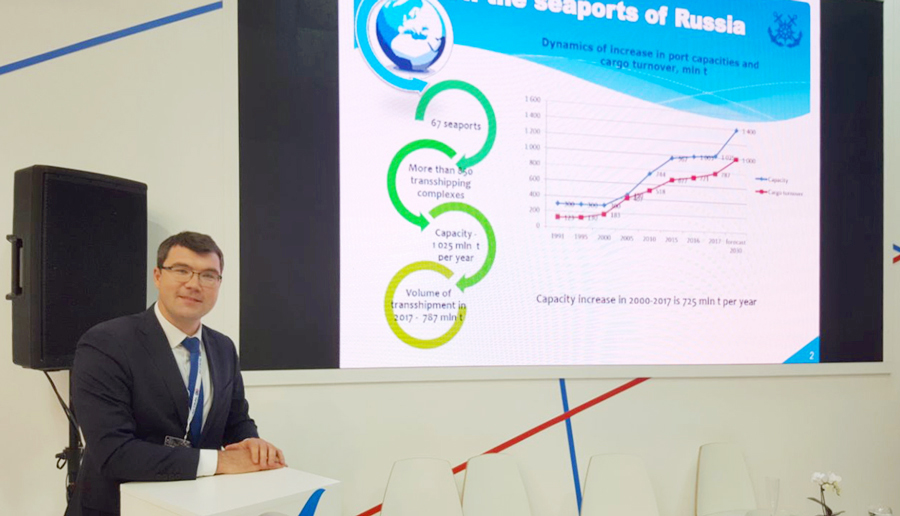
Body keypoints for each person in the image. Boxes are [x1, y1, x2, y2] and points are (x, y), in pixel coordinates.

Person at [67, 232, 285, 516]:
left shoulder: (223, 348)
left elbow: (236, 421)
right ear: (158, 276)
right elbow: (114, 452)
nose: (194, 284)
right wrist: (222, 462)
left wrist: (250, 443)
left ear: (219, 284)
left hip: (196, 506)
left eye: (208, 275)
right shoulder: (106, 343)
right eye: (182, 270)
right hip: (119, 508)